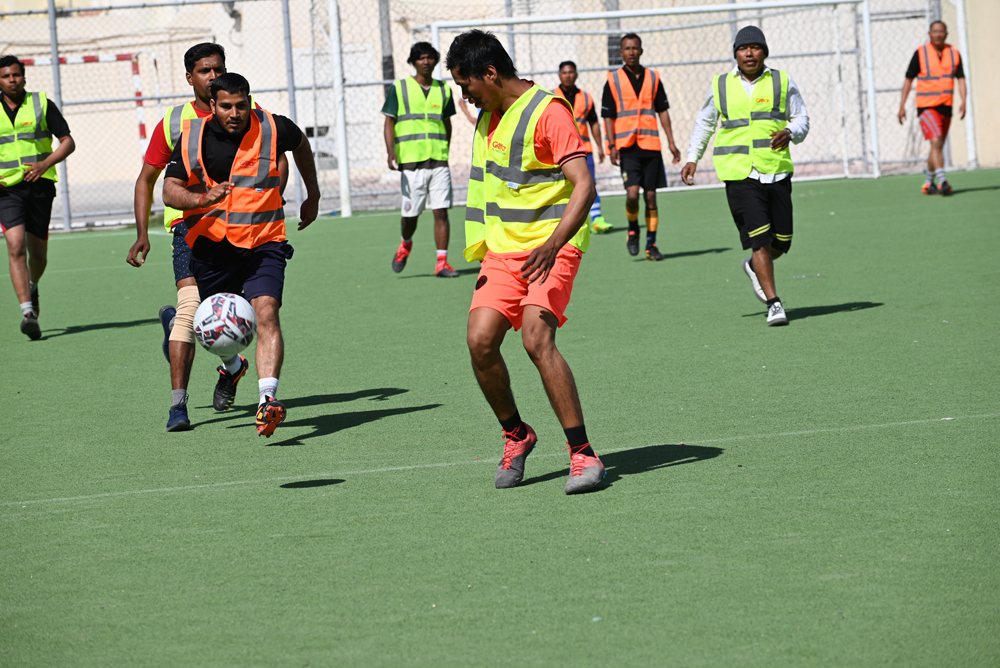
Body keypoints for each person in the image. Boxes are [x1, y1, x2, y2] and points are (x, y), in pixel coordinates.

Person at [446, 30, 605, 495]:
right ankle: (517, 434)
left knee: (537, 339)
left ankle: (583, 454)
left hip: (552, 246)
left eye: (466, 85)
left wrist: (553, 244)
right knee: (479, 342)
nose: (465, 96)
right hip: (504, 251)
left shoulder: (549, 112)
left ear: (490, 73)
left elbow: (583, 186)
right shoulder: (489, 116)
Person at [127, 43, 287, 432]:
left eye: (218, 69)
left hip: (248, 232)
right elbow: (147, 180)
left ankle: (233, 367)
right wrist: (141, 233)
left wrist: (274, 189)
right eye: (204, 71)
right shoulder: (176, 121)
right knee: (189, 314)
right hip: (191, 230)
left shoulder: (247, 112)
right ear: (190, 78)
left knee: (231, 316)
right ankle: (178, 407)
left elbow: (280, 153)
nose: (212, 76)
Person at [162, 72, 320, 437]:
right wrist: (201, 199)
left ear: (250, 100)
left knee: (266, 311)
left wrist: (313, 194)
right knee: (214, 329)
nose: (235, 113)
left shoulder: (273, 126)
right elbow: (169, 191)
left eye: (242, 104)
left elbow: (302, 145)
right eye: (227, 106)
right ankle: (232, 365)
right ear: (212, 106)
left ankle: (268, 401)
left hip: (265, 242)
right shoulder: (192, 137)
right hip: (212, 246)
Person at [680, 26, 810, 327]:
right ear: (735, 53)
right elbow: (704, 124)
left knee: (783, 240)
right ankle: (774, 303)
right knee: (759, 240)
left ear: (764, 51)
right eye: (743, 48)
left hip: (775, 169)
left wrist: (791, 132)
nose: (749, 53)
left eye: (755, 47)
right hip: (738, 173)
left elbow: (801, 116)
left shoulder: (782, 81)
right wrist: (692, 158)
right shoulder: (721, 85)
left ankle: (754, 268)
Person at [0, 55, 75, 340]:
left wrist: (45, 164)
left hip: (40, 186)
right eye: (6, 76)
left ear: (24, 76)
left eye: (16, 75)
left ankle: (32, 284)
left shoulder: (41, 103)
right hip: (7, 190)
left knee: (38, 254)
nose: (12, 80)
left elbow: (68, 141)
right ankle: (27, 312)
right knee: (15, 246)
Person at [382, 42, 459, 278]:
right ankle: (405, 243)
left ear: (436, 61)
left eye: (430, 58)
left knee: (441, 212)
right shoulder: (400, 88)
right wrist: (391, 150)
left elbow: (447, 122)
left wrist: (445, 147)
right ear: (413, 61)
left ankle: (442, 262)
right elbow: (389, 121)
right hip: (411, 161)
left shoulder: (443, 89)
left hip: (438, 160)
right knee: (410, 215)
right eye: (421, 58)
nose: (426, 61)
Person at [601, 33, 681, 261]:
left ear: (641, 51)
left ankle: (651, 244)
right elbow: (608, 116)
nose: (631, 52)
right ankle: (633, 227)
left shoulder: (653, 78)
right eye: (627, 48)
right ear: (621, 53)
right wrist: (611, 144)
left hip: (650, 145)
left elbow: (663, 111)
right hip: (627, 147)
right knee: (633, 194)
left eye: (635, 48)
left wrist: (671, 142)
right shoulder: (613, 79)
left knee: (652, 197)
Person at [898, 20, 967, 196]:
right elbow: (908, 79)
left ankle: (928, 184)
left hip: (946, 105)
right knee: (935, 141)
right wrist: (902, 105)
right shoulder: (920, 53)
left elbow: (960, 78)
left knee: (937, 146)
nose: (938, 34)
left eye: (941, 31)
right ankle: (943, 181)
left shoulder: (954, 53)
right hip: (927, 106)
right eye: (934, 31)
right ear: (929, 34)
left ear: (946, 34)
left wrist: (964, 101)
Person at [554, 60, 610, 234]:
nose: (568, 75)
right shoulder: (551, 96)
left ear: (576, 74)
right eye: (564, 73)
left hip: (584, 149)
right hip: (559, 150)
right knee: (560, 187)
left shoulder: (586, 98)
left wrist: (600, 146)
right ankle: (563, 222)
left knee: (589, 183)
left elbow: (594, 123)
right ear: (559, 75)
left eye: (571, 72)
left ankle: (597, 220)